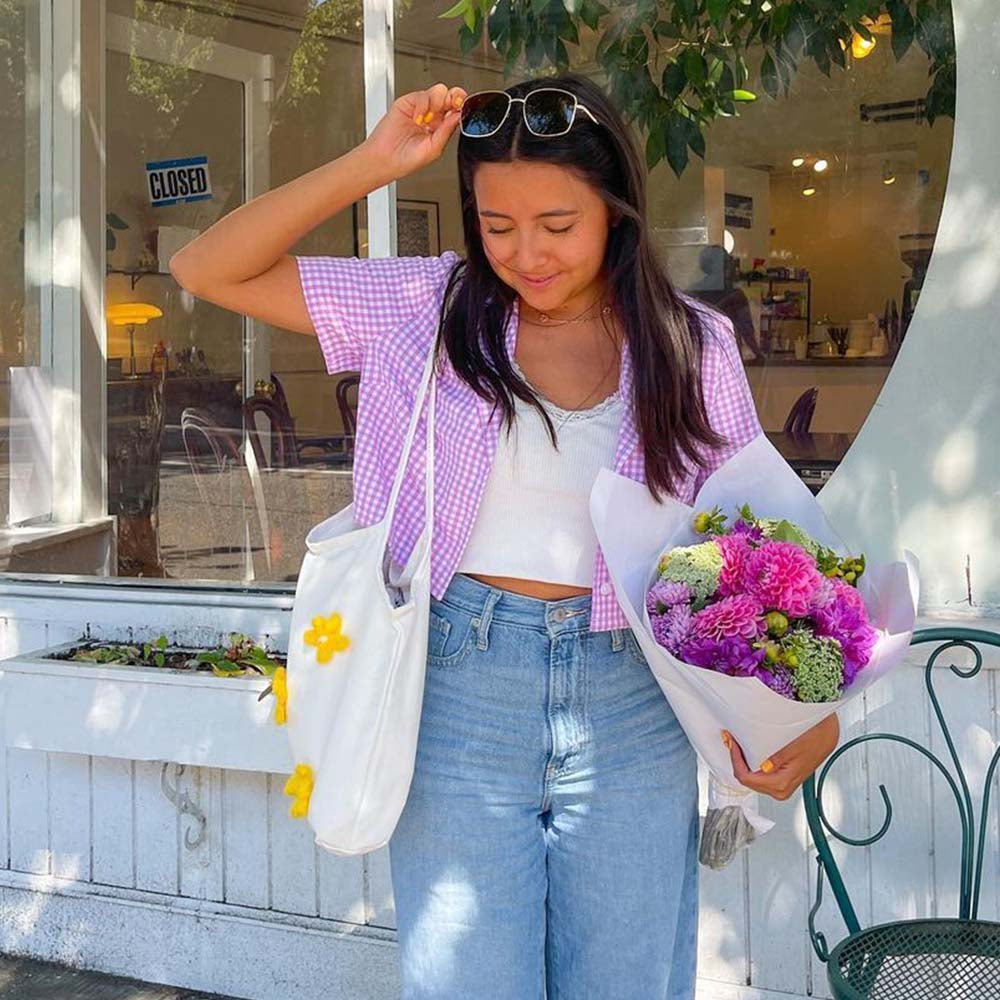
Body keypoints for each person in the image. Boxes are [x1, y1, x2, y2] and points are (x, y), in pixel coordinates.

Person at [169, 74, 839, 1000]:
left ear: (616, 209)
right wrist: (375, 162)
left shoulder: (691, 345)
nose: (527, 253)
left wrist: (808, 708)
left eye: (558, 225)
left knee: (627, 983)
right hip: (457, 691)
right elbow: (208, 268)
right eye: (497, 225)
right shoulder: (427, 306)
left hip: (634, 700)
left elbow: (760, 554)